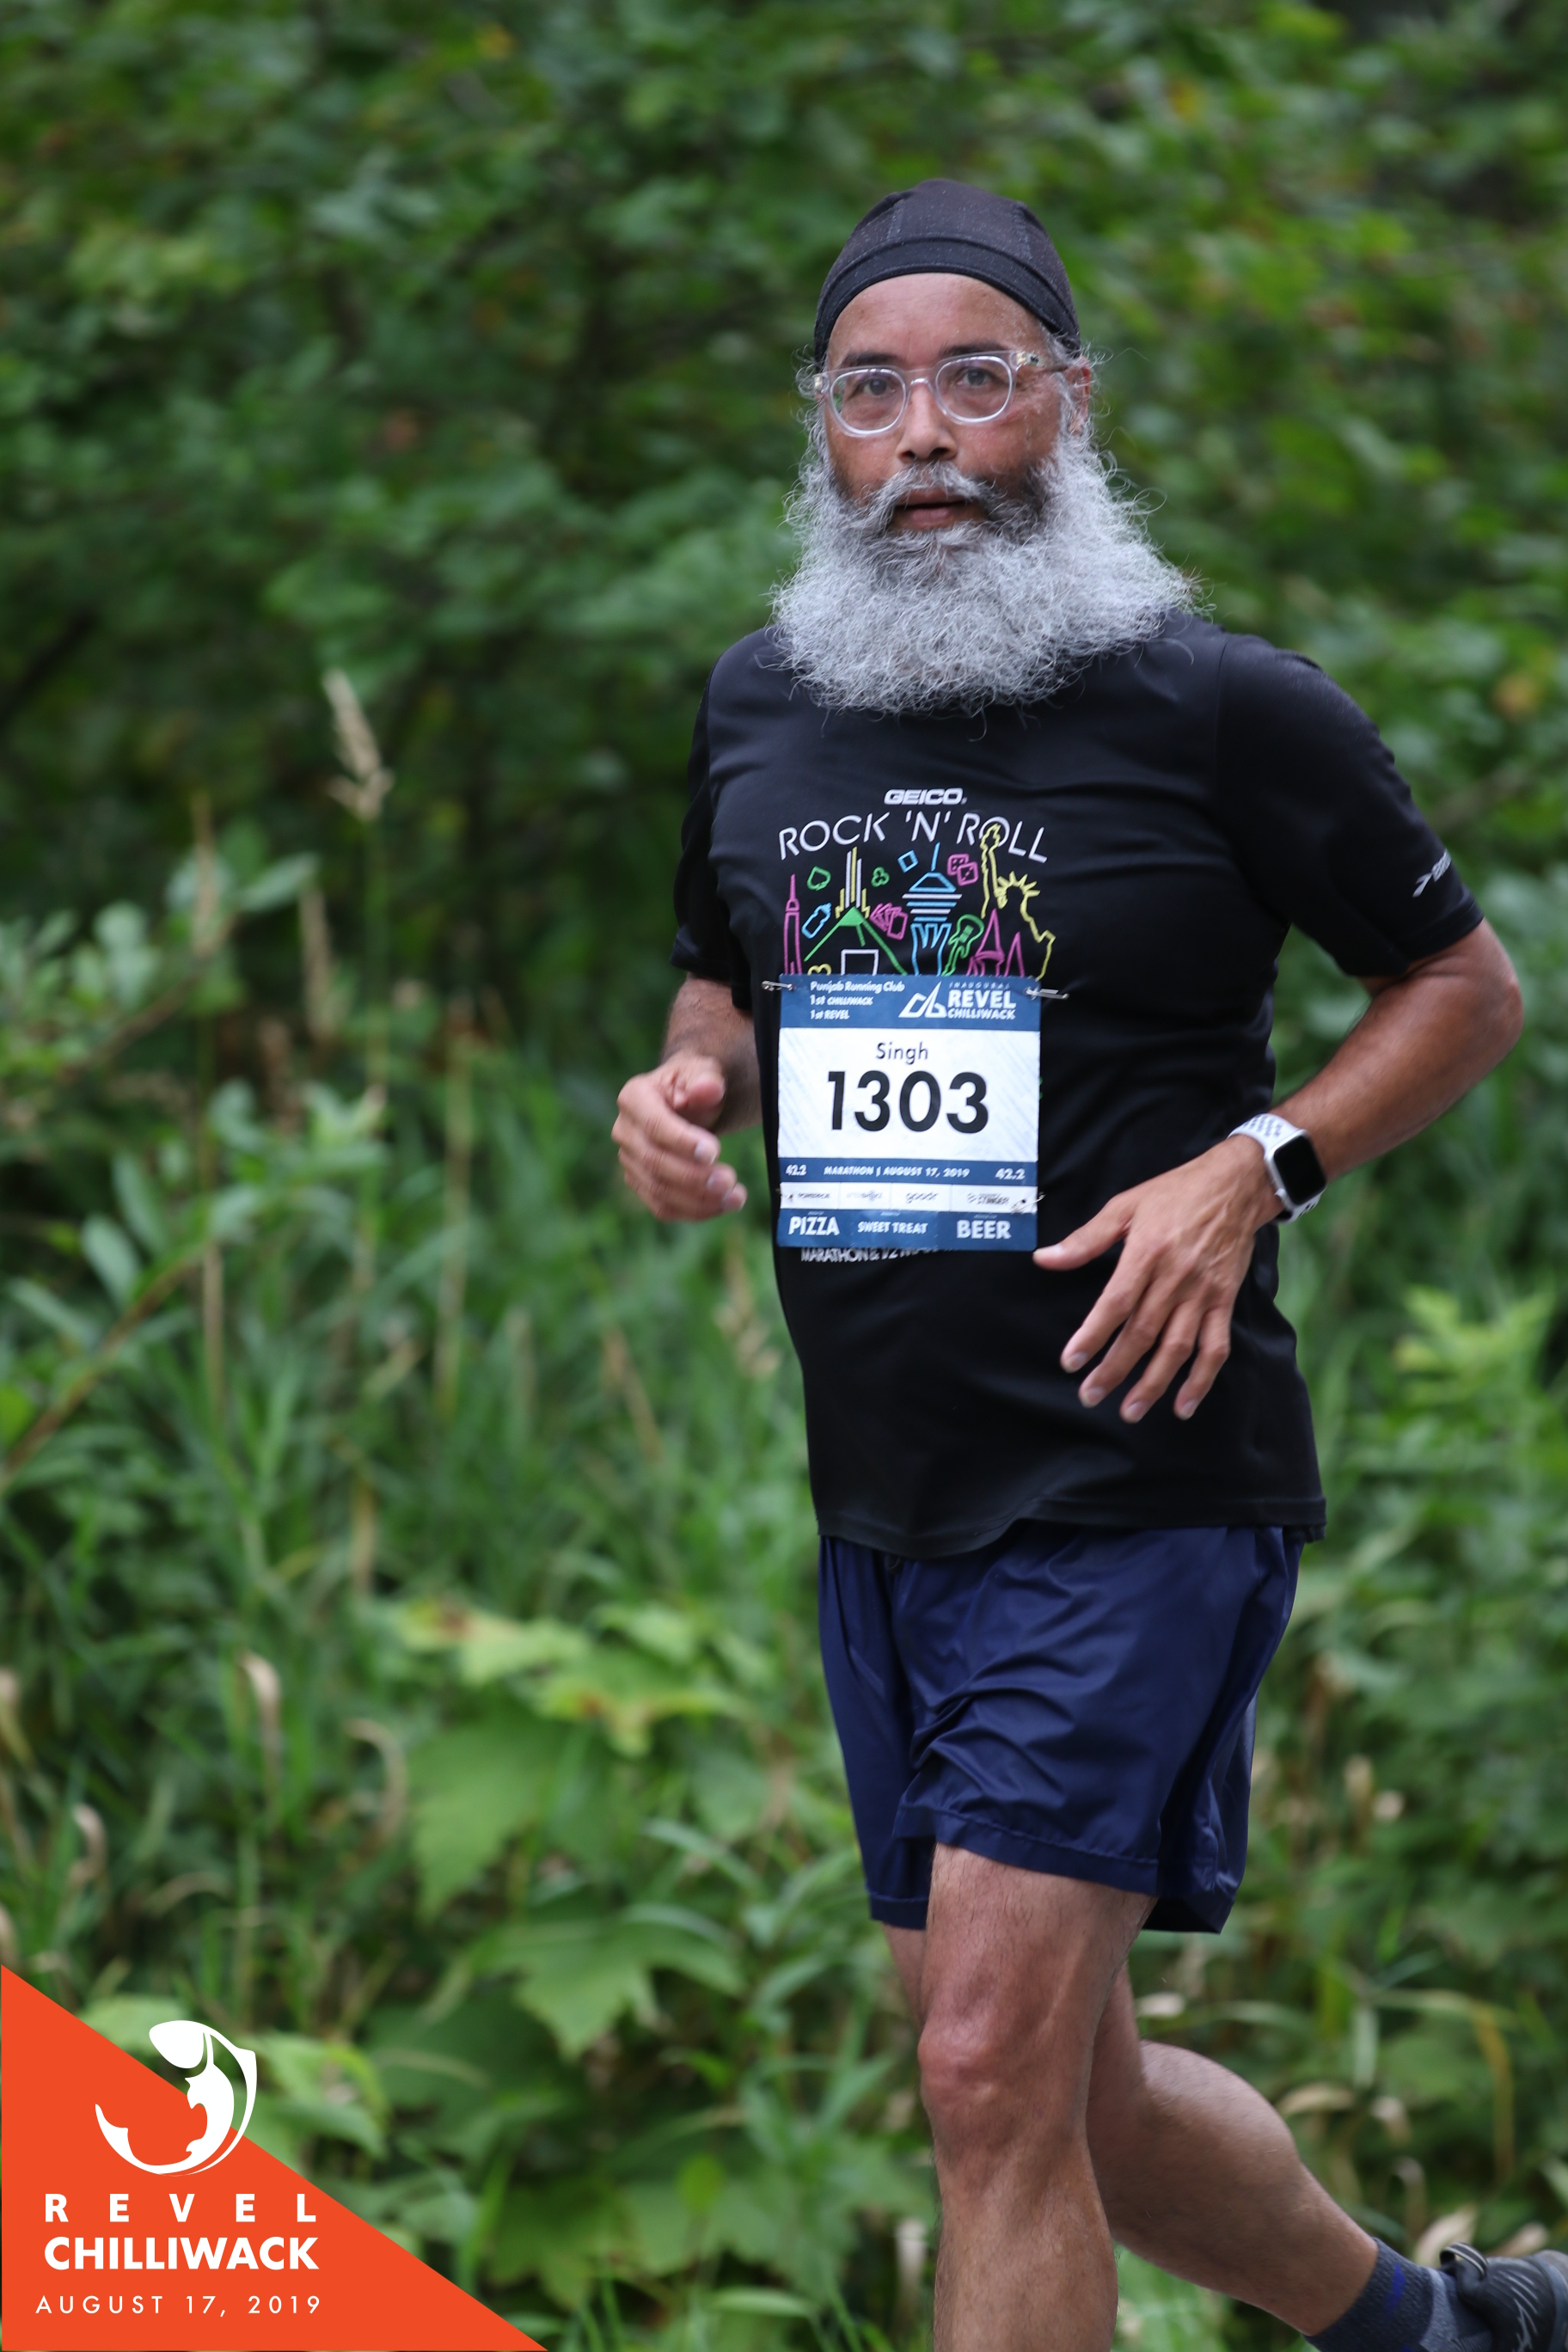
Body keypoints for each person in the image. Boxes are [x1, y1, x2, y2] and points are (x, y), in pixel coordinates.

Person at [612, 180, 1559, 2352]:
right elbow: (719, 974)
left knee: (981, 2078)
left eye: (978, 378)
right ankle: (1443, 2336)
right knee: (1066, 2094)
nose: (925, 436)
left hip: (1136, 1464)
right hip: (889, 1493)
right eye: (872, 392)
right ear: (821, 426)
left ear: (1069, 399)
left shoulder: (1222, 708)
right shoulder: (764, 705)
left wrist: (1257, 1167)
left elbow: (1464, 989)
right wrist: (686, 1089)